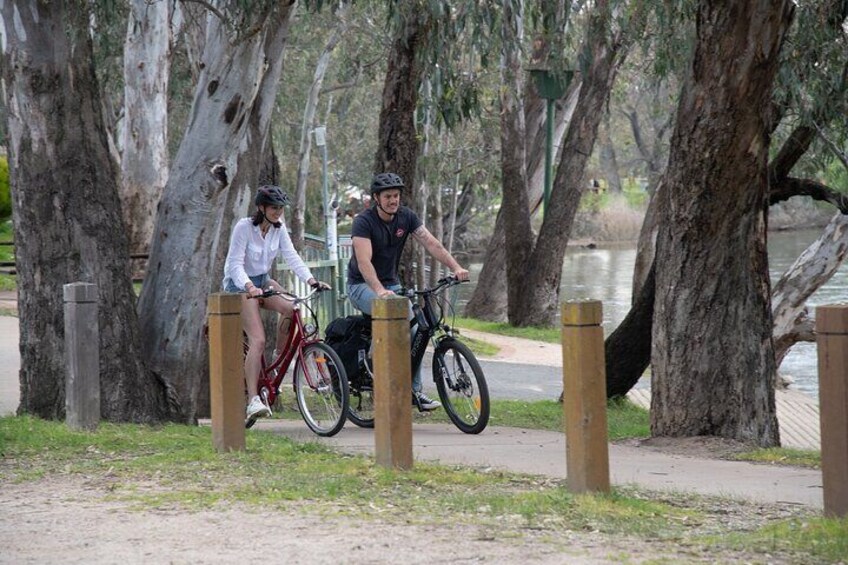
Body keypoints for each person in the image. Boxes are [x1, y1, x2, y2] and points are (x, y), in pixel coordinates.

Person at [347, 172, 470, 411]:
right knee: (396, 320)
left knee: (418, 330)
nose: (393, 200)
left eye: (396, 196)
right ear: (376, 198)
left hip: (391, 285)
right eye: (388, 196)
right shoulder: (364, 221)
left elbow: (432, 243)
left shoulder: (406, 217)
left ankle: (414, 391)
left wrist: (455, 267)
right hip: (361, 286)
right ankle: (381, 380)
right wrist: (380, 291)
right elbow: (364, 262)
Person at [222, 185, 330, 421]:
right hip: (240, 285)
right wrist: (250, 287)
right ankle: (252, 399)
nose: (278, 212)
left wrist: (311, 280)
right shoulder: (244, 227)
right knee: (257, 339)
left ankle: (278, 361)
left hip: (263, 281)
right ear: (261, 207)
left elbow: (292, 256)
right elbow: (234, 265)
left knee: (292, 308)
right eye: (273, 208)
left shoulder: (278, 229)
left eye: (280, 208)